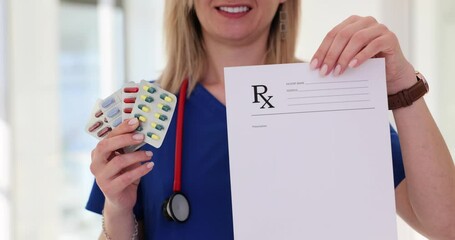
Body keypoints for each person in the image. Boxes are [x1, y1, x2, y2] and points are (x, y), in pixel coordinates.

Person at [87, 0, 455, 239]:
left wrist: (402, 84)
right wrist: (117, 210)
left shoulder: (333, 98)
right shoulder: (144, 110)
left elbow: (445, 225)